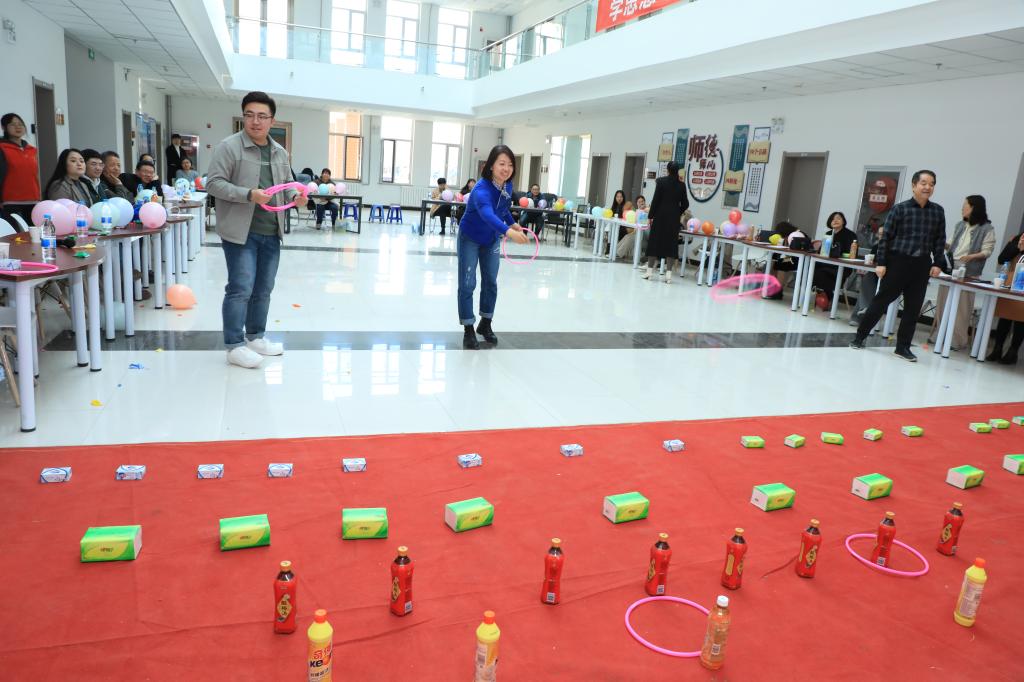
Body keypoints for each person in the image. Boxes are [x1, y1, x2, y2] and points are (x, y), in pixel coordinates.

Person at [207, 91, 300, 369]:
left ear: (272, 120)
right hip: (240, 232)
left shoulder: (279, 152)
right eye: (249, 115)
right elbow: (213, 183)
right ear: (243, 117)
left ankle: (256, 337)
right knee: (240, 288)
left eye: (261, 116)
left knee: (263, 288)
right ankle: (234, 345)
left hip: (271, 230)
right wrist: (249, 194)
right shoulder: (229, 147)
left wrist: (296, 196)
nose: (255, 121)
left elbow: (287, 183)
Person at [851, 170, 946, 362]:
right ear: (914, 185)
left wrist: (938, 262)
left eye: (932, 184)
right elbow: (886, 238)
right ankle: (859, 337)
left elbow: (939, 239)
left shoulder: (938, 211)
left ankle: (902, 347)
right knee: (880, 301)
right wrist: (881, 263)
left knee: (913, 308)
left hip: (921, 264)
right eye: (924, 183)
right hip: (898, 261)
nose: (928, 187)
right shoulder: (900, 209)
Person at [456, 144, 528, 350]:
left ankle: (485, 323)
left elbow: (502, 209)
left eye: (510, 165)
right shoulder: (481, 190)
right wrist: (509, 232)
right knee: (467, 283)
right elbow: (487, 214)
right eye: (501, 164)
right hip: (470, 237)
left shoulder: (507, 186)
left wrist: (513, 224)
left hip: (491, 239)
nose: (506, 169)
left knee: (491, 282)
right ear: (491, 166)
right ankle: (468, 329)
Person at [929, 195, 996, 350]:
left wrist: (971, 257)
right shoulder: (960, 225)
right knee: (943, 302)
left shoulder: (987, 228)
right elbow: (951, 245)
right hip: (950, 268)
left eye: (965, 205)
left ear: (974, 208)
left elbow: (987, 251)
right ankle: (940, 335)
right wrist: (939, 241)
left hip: (969, 271)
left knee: (962, 308)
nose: (962, 208)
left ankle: (957, 340)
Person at [641, 162, 688, 283]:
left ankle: (649, 272)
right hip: (673, 219)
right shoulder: (681, 185)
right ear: (678, 171)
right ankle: (668, 275)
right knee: (671, 244)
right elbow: (686, 204)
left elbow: (655, 200)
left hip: (660, 216)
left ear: (667, 170)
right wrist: (677, 212)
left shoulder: (661, 182)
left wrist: (650, 216)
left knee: (654, 242)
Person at [986, 229, 1024, 364]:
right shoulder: (1016, 239)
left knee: (1020, 319)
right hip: (1009, 284)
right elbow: (1001, 259)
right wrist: (1018, 247)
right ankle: (997, 348)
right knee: (1005, 316)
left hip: (1022, 286)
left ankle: (1013, 352)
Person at [0, 112, 40, 226]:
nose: (18, 127)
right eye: (13, 124)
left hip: (33, 200)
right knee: (16, 234)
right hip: (10, 202)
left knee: (34, 233)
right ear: (4, 127)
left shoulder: (32, 150)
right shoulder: (2, 148)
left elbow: (35, 175)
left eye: (20, 124)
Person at [811, 211, 857, 302]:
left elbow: (851, 254)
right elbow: (821, 251)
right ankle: (816, 297)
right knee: (811, 268)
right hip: (826, 263)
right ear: (830, 222)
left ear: (843, 221)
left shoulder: (850, 235)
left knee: (821, 272)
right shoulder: (828, 233)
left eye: (838, 218)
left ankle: (826, 296)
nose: (835, 220)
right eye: (833, 219)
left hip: (840, 266)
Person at [850, 215, 884, 325]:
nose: (881, 237)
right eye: (879, 234)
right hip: (875, 275)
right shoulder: (876, 247)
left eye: (883, 234)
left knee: (867, 282)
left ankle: (858, 316)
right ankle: (863, 310)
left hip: (887, 278)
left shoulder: (895, 248)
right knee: (867, 278)